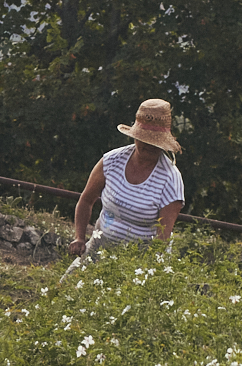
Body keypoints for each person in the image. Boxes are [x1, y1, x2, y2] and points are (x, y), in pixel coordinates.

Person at [67, 99, 186, 260]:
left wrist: (142, 270)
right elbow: (86, 200)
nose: (149, 146)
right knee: (68, 283)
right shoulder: (112, 160)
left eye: (155, 142)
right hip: (100, 245)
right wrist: (80, 237)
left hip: (140, 258)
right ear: (135, 137)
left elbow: (162, 239)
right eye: (145, 140)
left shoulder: (170, 179)